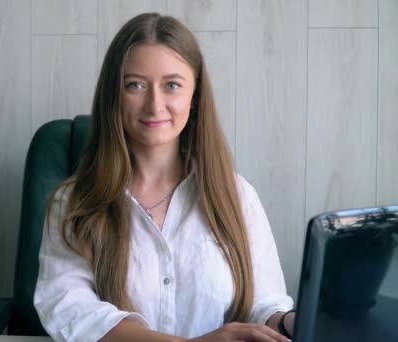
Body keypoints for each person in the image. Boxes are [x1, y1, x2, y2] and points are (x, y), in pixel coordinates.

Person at [34, 13, 295, 342]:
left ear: (195, 96)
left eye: (172, 85)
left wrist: (289, 322)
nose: (154, 104)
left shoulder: (237, 196)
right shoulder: (75, 201)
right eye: (135, 85)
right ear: (114, 95)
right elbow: (71, 310)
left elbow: (264, 303)